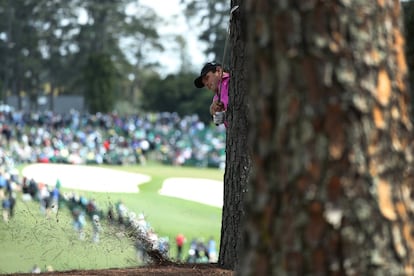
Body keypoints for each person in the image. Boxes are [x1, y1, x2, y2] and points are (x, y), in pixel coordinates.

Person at [194, 62, 230, 127]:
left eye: (207, 78)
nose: (206, 84)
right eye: (204, 84)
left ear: (219, 70)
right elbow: (218, 121)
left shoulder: (231, 80)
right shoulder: (216, 98)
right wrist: (214, 112)